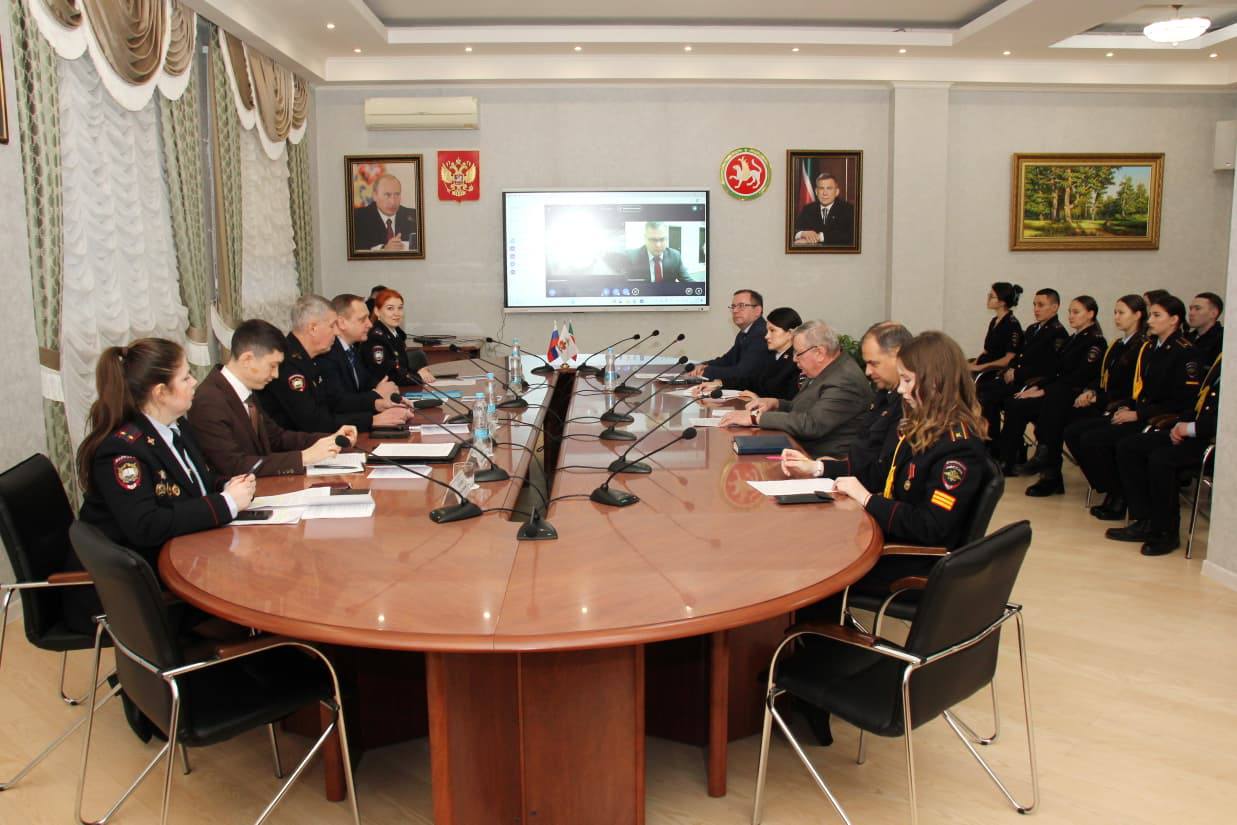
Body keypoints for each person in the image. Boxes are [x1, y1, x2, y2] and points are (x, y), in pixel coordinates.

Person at [74, 339, 254, 573]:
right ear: (160, 393)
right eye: (185, 378)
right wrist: (226, 503)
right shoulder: (123, 451)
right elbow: (146, 526)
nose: (194, 382)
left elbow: (194, 484)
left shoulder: (177, 427)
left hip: (186, 553)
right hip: (136, 577)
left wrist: (228, 485)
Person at [831, 330, 990, 553]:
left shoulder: (958, 447)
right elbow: (881, 473)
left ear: (935, 382)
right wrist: (825, 472)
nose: (900, 389)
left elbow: (930, 526)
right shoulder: (920, 426)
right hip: (887, 534)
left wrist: (867, 499)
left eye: (907, 380)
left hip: (908, 554)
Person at [1075, 294, 1203, 521]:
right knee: (1078, 433)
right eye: (1150, 315)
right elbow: (1141, 390)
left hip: (1160, 419)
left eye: (1156, 315)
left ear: (1174, 320)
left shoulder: (1184, 351)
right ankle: (1116, 490)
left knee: (1106, 442)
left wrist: (1138, 413)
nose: (1150, 320)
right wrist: (1128, 407)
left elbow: (1182, 401)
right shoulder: (1152, 347)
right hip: (1140, 412)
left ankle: (1125, 500)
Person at [188, 319, 357, 478]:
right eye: (272, 366)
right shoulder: (209, 401)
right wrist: (303, 458)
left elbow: (277, 438)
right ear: (247, 359)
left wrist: (330, 439)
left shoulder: (246, 391)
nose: (276, 375)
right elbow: (234, 465)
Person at [1029, 295, 1148, 497]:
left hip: (1119, 406)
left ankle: (1114, 489)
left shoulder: (1141, 347)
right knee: (1055, 411)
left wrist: (1097, 397)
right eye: (1115, 312)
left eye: (1121, 313)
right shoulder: (1117, 345)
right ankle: (1050, 466)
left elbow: (1132, 387)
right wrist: (1092, 391)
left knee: (1059, 410)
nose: (1116, 317)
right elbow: (1102, 377)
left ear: (1137, 315)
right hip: (1102, 400)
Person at [1110, 354, 1220, 555]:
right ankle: (1145, 519)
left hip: (1214, 443)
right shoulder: (1224, 359)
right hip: (1195, 432)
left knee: (1161, 460)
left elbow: (1225, 421)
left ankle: (1166, 532)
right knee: (1129, 447)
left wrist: (1190, 429)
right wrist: (1181, 424)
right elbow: (1198, 404)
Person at [258, 295, 411, 434]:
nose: (336, 333)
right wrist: (372, 420)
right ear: (313, 328)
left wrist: (376, 404)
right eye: (332, 326)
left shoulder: (306, 357)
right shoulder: (288, 365)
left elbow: (331, 404)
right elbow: (314, 423)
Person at [717, 320, 873, 456]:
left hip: (820, 460)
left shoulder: (845, 380)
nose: (794, 359)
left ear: (819, 353)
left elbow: (811, 424)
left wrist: (755, 418)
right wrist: (776, 403)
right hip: (799, 449)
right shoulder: (824, 368)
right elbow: (801, 408)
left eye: (798, 353)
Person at [780, 321, 913, 478]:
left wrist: (824, 467)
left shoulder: (909, 404)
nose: (868, 372)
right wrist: (825, 467)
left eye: (874, 363)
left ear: (898, 356)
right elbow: (866, 452)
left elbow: (882, 469)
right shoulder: (884, 395)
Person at [999, 295, 1106, 478]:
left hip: (1074, 395)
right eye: (1070, 312)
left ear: (1090, 314)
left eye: (1076, 312)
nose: (1070, 316)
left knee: (1051, 408)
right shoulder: (1073, 339)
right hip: (1058, 391)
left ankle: (1047, 464)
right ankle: (1007, 459)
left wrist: (1044, 391)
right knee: (1016, 404)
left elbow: (1079, 377)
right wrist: (1037, 387)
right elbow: (1054, 371)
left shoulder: (1095, 341)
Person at [977, 287, 1067, 451]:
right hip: (1016, 377)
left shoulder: (1058, 334)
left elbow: (1048, 367)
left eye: (1041, 305)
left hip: (1029, 382)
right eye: (1034, 305)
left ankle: (1002, 450)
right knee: (982, 390)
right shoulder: (1033, 329)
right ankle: (991, 442)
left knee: (996, 398)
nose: (1036, 309)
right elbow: (1019, 355)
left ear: (1054, 307)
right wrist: (1010, 369)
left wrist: (1017, 373)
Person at [691, 306, 802, 401]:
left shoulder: (797, 362)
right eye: (767, 330)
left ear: (790, 333)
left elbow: (790, 403)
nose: (766, 336)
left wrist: (759, 400)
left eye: (772, 331)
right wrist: (720, 383)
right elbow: (751, 380)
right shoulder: (771, 355)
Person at [685, 289, 775, 382]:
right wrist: (704, 365)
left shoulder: (761, 334)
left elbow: (742, 373)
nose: (735, 310)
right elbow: (728, 360)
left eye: (741, 306)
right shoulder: (745, 332)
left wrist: (706, 371)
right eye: (733, 306)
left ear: (757, 310)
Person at [361, 288, 434, 387]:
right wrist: (419, 376)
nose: (396, 313)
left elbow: (400, 369)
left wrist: (418, 371)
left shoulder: (394, 333)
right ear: (377, 311)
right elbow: (386, 376)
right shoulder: (376, 338)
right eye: (390, 308)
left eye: (400, 308)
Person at [318, 294, 384, 394]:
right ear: (341, 323)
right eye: (362, 319)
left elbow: (366, 381)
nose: (370, 324)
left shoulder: (352, 349)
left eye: (368, 318)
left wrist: (383, 386)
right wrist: (377, 394)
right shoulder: (328, 353)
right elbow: (339, 400)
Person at [970, 282, 1024, 390]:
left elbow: (1009, 359)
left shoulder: (1012, 324)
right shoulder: (994, 321)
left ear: (1002, 302)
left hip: (994, 372)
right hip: (984, 365)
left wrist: (980, 367)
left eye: (992, 296)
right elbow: (986, 351)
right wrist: (973, 364)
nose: (988, 299)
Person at [352, 174, 417, 253]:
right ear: (375, 196)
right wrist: (383, 250)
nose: (393, 202)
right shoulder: (357, 218)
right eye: (387, 195)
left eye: (397, 194)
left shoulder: (414, 216)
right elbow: (355, 252)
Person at [791, 172, 856, 247]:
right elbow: (792, 231)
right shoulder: (808, 209)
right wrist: (803, 233)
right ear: (816, 191)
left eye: (829, 188)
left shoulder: (848, 209)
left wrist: (818, 237)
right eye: (821, 188)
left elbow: (849, 235)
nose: (825, 193)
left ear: (837, 192)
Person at [625, 221, 691, 287]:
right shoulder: (630, 257)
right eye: (653, 240)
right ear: (645, 238)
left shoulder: (675, 256)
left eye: (662, 239)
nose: (658, 245)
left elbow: (688, 281)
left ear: (667, 238)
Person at [1186, 291, 1224, 368]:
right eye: (1190, 309)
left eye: (1197, 308)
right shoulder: (1186, 338)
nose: (1191, 313)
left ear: (1213, 313)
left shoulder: (1224, 340)